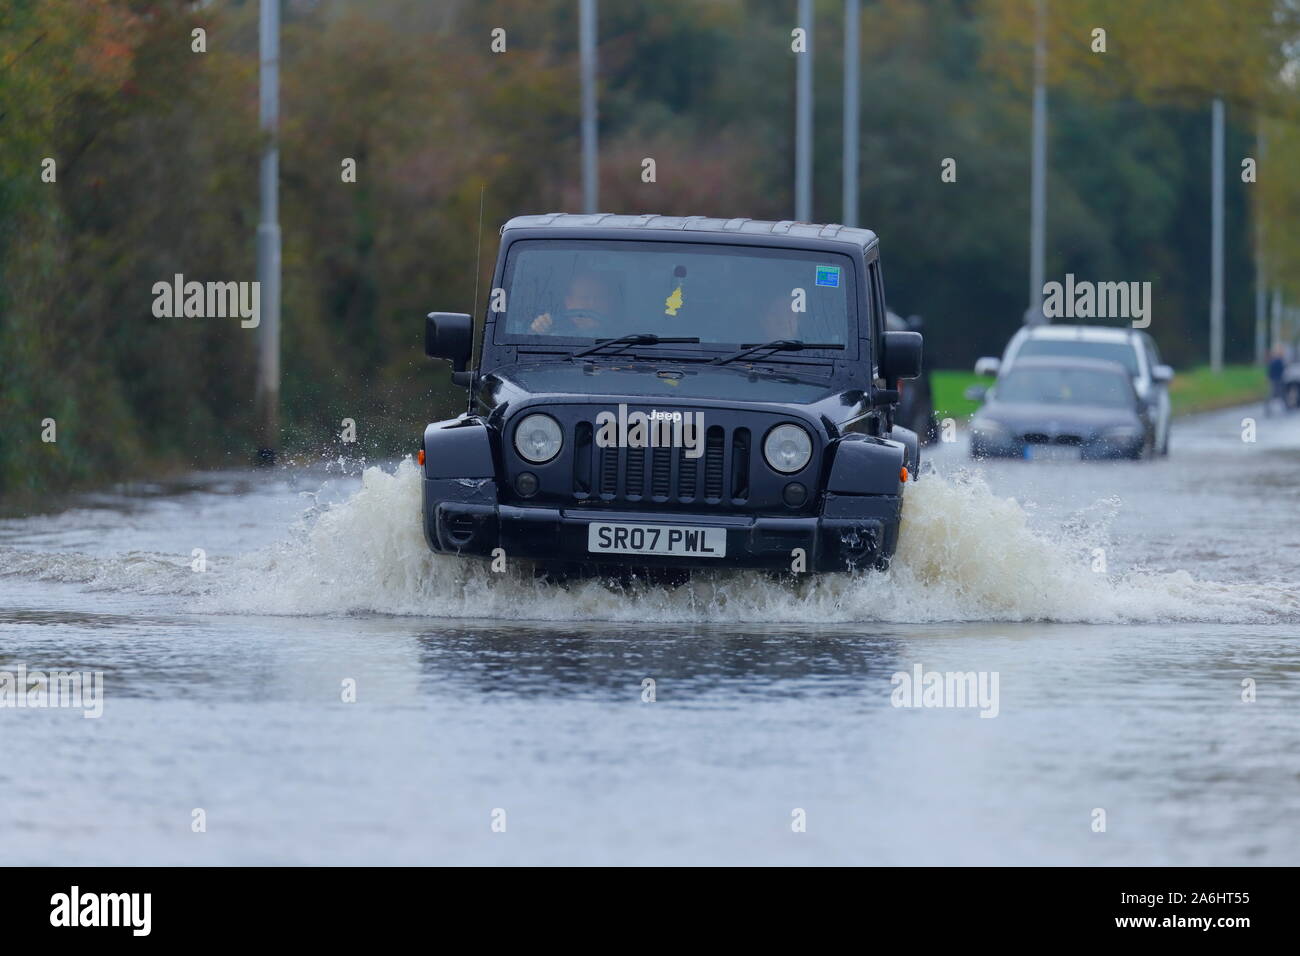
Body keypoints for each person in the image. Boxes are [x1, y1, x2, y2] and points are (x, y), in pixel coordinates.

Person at [529, 270, 619, 335]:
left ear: (609, 303)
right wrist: (538, 330)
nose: (592, 304)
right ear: (568, 302)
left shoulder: (621, 335)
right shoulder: (553, 329)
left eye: (599, 298)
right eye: (584, 298)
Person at [1267, 347, 1286, 416]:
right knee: (1277, 394)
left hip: (1276, 379)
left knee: (1275, 394)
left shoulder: (1275, 361)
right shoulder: (1278, 361)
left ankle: (1269, 409)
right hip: (1276, 379)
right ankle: (1285, 407)